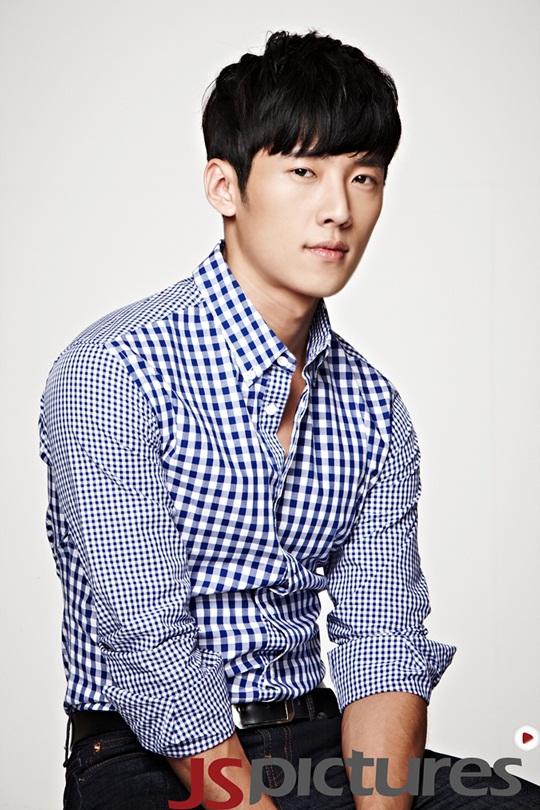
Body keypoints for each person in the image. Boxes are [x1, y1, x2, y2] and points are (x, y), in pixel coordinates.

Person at [39, 31, 539, 810]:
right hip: (147, 757)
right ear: (225, 186)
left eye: (363, 177)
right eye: (303, 171)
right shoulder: (115, 370)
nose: (338, 209)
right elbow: (149, 642)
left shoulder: (374, 407)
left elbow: (382, 638)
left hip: (316, 744)